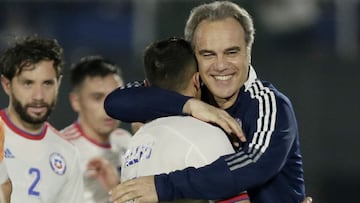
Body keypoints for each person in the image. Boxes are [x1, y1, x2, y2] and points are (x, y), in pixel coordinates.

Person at [104, 1, 308, 203]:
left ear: (249, 52)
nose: (220, 66)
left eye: (231, 52)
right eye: (208, 54)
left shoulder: (268, 104)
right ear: (195, 58)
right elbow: (115, 102)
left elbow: (255, 164)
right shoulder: (194, 94)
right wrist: (190, 105)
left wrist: (163, 186)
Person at [0, 36, 84, 202]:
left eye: (47, 83)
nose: (38, 96)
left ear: (58, 83)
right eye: (28, 83)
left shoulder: (67, 153)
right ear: (7, 85)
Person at [60, 55, 132, 203]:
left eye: (115, 96)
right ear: (76, 102)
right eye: (98, 98)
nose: (109, 107)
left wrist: (116, 188)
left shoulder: (125, 140)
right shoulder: (61, 149)